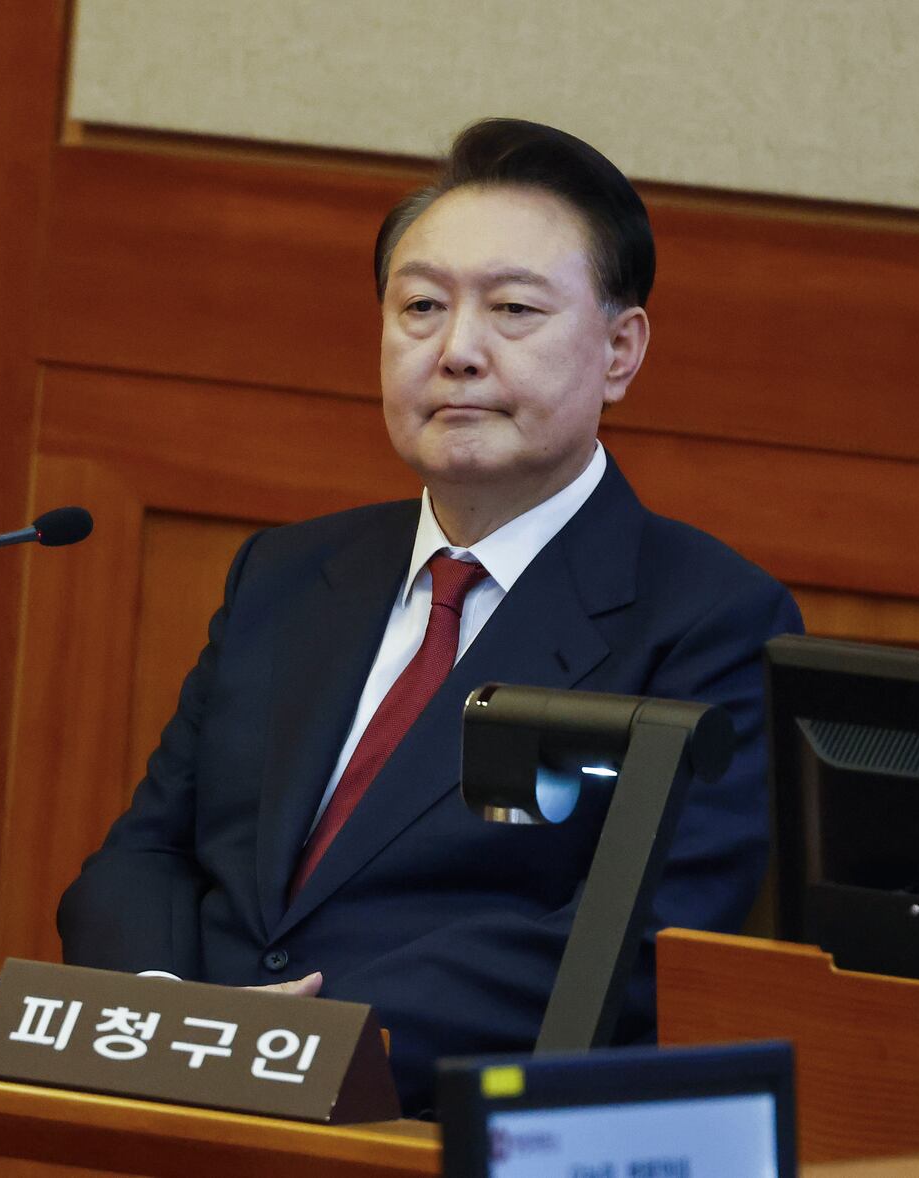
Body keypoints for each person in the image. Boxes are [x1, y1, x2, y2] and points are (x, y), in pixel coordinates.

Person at [58, 117, 803, 1115]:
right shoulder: (287, 573)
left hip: (425, 1119)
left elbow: (629, 941)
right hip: (176, 1099)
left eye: (511, 310)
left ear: (620, 350)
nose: (456, 351)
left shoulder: (710, 619)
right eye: (419, 306)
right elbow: (149, 850)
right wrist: (161, 1013)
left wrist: (299, 1043)